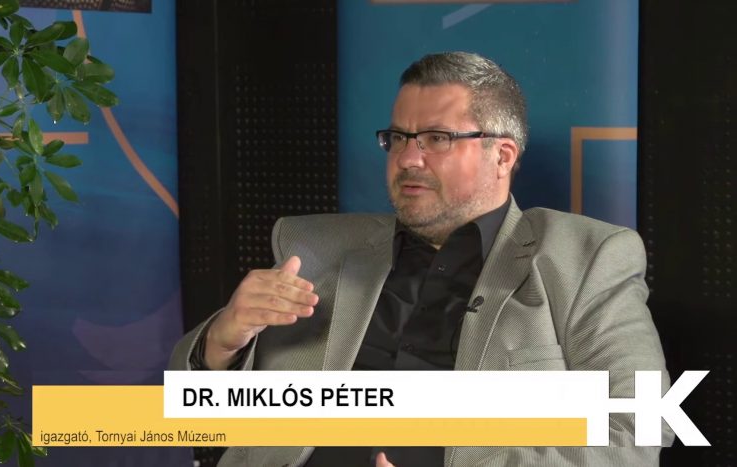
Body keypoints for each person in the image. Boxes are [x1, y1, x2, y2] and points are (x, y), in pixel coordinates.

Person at [169, 51, 673, 466]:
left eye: (437, 139)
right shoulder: (313, 247)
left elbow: (640, 427)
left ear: (502, 156)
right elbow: (196, 419)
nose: (408, 158)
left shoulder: (584, 258)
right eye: (398, 138)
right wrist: (220, 344)